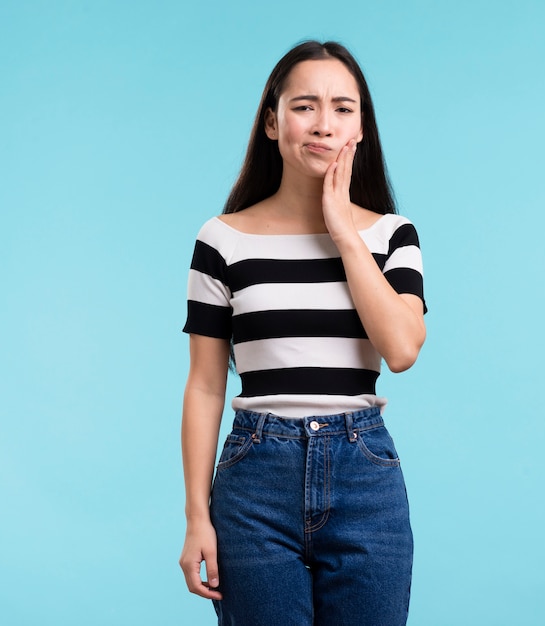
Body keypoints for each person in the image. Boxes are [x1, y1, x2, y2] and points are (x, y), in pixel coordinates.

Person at [179, 40, 427, 626]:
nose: (323, 124)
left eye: (343, 108)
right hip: (254, 480)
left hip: (365, 475)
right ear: (272, 121)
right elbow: (205, 385)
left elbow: (401, 349)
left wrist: (342, 228)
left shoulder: (392, 234)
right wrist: (196, 516)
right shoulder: (222, 241)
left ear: (360, 128)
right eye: (304, 106)